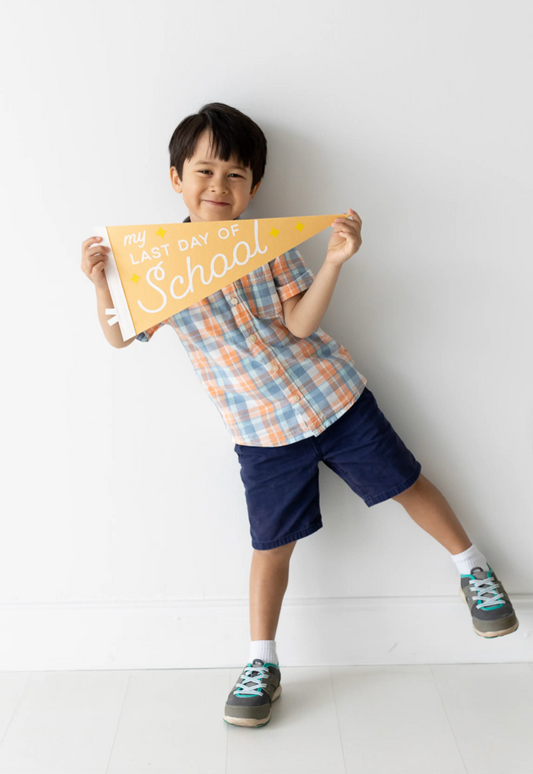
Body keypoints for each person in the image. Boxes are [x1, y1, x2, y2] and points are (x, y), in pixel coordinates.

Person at [81, 102, 518, 729]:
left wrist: (335, 261)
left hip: (333, 397)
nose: (218, 187)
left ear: (254, 185)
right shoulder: (154, 264)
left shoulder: (270, 246)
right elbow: (122, 337)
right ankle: (263, 662)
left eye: (235, 175)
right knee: (271, 545)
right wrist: (102, 284)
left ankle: (474, 569)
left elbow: (300, 323)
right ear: (175, 178)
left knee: (406, 482)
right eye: (204, 172)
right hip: (260, 431)